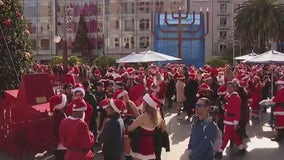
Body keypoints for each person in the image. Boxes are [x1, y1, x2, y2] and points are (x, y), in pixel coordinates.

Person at [128, 94, 167, 160]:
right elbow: (164, 128)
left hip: (141, 142)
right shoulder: (157, 116)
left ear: (147, 104)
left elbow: (130, 128)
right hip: (150, 142)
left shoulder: (144, 116)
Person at [215, 81, 246, 158]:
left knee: (226, 136)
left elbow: (237, 111)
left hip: (232, 120)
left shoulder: (236, 97)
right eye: (228, 87)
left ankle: (220, 151)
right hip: (227, 118)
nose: (229, 88)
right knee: (233, 135)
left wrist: (236, 122)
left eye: (231, 87)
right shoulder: (228, 96)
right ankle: (241, 148)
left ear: (234, 88)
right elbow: (228, 108)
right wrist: (224, 106)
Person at [50, 94, 67, 160]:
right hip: (62, 146)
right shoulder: (60, 116)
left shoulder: (57, 114)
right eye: (65, 101)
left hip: (58, 146)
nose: (66, 102)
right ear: (61, 105)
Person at [270, 76, 284, 142]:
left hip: (280, 109)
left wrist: (272, 99)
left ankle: (279, 137)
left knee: (280, 124)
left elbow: (276, 100)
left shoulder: (281, 91)